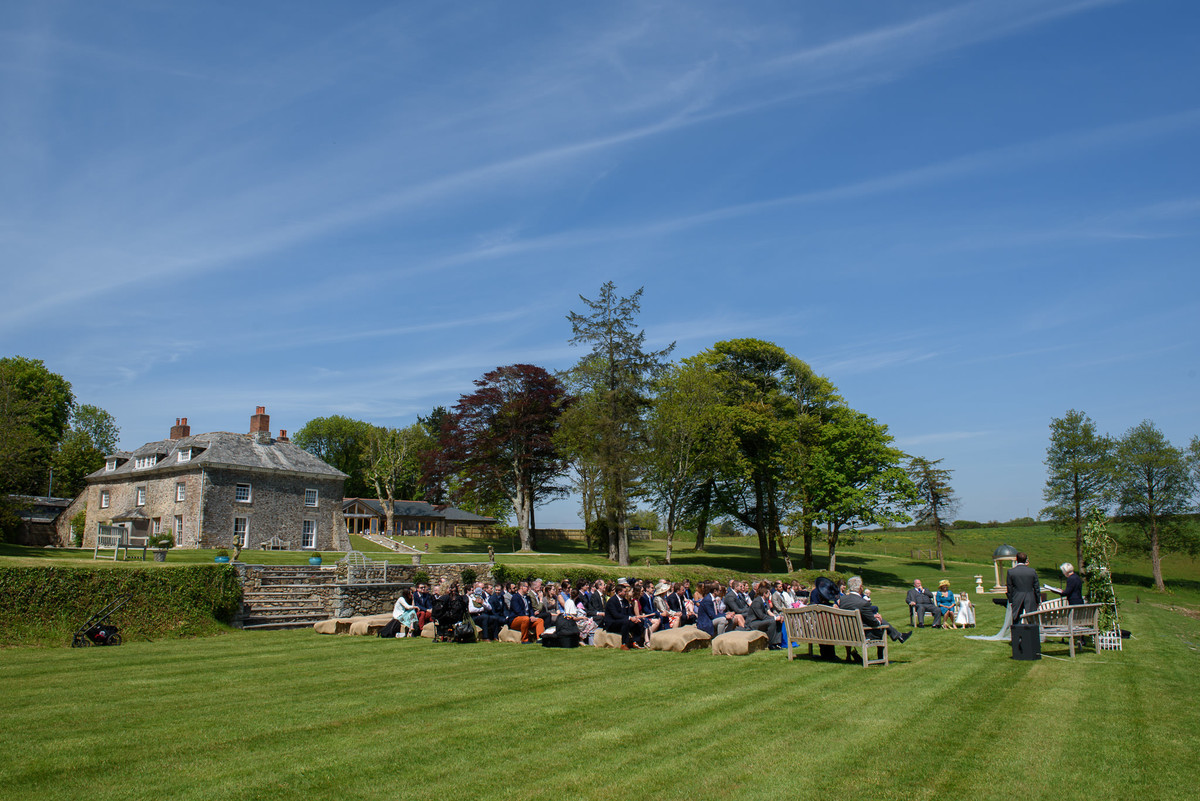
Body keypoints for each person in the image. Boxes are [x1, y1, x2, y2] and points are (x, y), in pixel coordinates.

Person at [838, 576, 911, 644]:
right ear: (860, 587)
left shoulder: (842, 599)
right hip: (862, 634)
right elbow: (873, 623)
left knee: (876, 619)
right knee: (881, 630)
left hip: (846, 633)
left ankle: (899, 635)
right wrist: (878, 620)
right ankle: (884, 653)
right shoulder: (863, 603)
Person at [603, 583, 647, 650]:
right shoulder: (612, 601)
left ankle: (635, 642)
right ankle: (624, 644)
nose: (626, 593)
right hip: (612, 622)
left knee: (639, 621)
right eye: (625, 591)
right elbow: (615, 615)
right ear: (619, 592)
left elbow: (629, 613)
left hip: (623, 620)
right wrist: (629, 618)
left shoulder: (625, 601)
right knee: (625, 622)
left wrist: (634, 618)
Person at [1006, 552, 1040, 625]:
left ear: (1016, 559)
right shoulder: (1032, 571)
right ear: (1026, 560)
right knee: (1032, 618)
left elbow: (1009, 588)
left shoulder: (1011, 572)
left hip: (1017, 596)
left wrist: (1011, 600)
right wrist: (1038, 600)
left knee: (1016, 618)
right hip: (1030, 596)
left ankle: (1017, 635)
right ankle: (1032, 635)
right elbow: (1036, 587)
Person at [748, 583, 782, 649]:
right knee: (772, 622)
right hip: (753, 622)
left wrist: (777, 617)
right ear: (764, 594)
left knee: (778, 621)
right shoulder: (757, 601)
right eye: (769, 593)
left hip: (760, 620)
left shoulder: (764, 601)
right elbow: (761, 616)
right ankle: (771, 643)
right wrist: (774, 618)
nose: (770, 595)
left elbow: (768, 612)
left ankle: (777, 643)